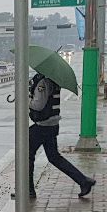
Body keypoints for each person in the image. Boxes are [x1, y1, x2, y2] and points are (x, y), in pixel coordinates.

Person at [24, 72, 95, 200]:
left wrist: (25, 100)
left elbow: (38, 105)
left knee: (26, 155)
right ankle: (84, 181)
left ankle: (28, 190)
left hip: (43, 126)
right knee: (54, 157)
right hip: (51, 124)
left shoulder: (43, 82)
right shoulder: (53, 79)